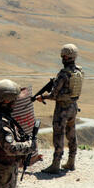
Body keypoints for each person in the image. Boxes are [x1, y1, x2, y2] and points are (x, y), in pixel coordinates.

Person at [36, 44, 84, 173]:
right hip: (73, 107)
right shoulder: (78, 71)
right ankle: (71, 162)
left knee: (58, 136)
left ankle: (55, 165)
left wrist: (43, 97)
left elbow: (54, 95)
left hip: (62, 109)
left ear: (65, 57)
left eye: (63, 56)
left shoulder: (63, 74)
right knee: (71, 134)